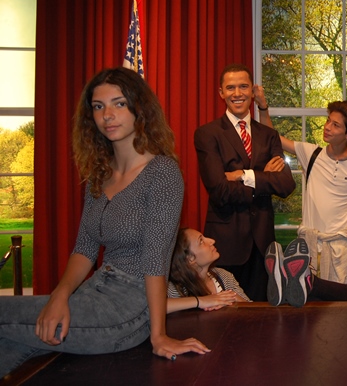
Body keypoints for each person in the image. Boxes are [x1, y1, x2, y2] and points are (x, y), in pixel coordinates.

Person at [0, 67, 209, 379]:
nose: (107, 115)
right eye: (98, 106)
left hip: (128, 311)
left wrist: (159, 336)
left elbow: (155, 260)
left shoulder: (162, 173)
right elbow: (84, 249)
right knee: (8, 347)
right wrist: (60, 296)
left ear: (139, 109)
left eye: (119, 104)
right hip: (93, 292)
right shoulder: (99, 175)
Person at [194, 64, 296, 302]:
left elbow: (285, 184)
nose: (237, 93)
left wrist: (243, 175)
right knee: (226, 314)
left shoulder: (268, 135)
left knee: (261, 314)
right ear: (221, 93)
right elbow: (220, 190)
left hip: (262, 245)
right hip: (226, 243)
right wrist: (263, 177)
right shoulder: (207, 134)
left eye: (243, 87)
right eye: (230, 88)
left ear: (252, 91)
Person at [258, 98, 347, 284]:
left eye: (335, 125)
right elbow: (272, 135)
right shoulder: (311, 154)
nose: (327, 127)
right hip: (309, 244)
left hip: (340, 247)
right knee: (306, 295)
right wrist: (263, 107)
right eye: (328, 121)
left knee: (337, 298)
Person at [167, 227, 250, 313]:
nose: (212, 241)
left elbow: (254, 312)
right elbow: (159, 307)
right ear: (190, 258)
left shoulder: (223, 276)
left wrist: (235, 298)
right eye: (201, 241)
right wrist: (201, 301)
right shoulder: (176, 289)